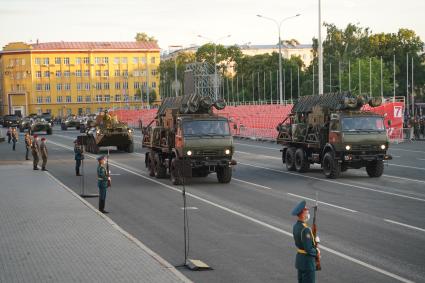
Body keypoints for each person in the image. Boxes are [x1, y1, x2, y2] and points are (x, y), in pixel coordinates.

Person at [292, 200, 320, 283]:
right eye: (307, 212)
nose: (308, 214)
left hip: (300, 261)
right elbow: (308, 249)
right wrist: (317, 251)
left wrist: (313, 239)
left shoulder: (296, 226)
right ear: (303, 214)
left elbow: (301, 241)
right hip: (307, 262)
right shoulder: (305, 229)